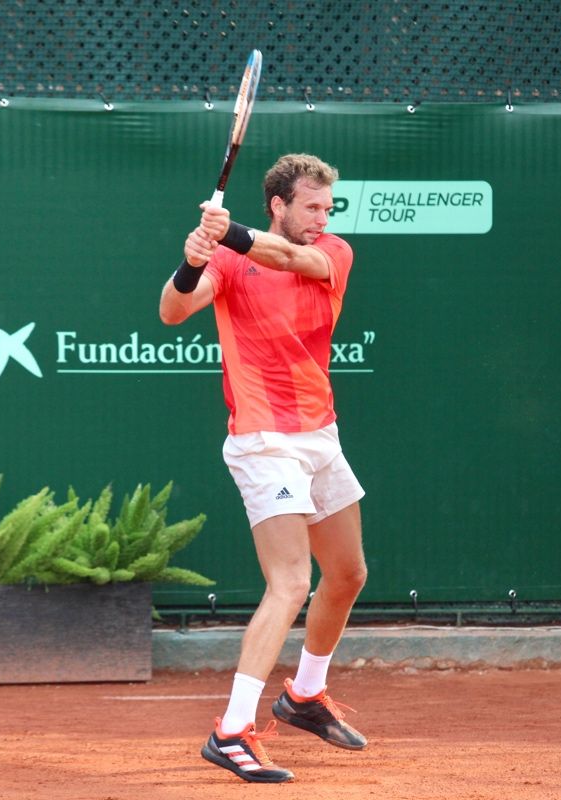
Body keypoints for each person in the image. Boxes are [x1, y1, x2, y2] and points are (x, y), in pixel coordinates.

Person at [159, 153, 368, 783]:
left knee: (349, 572)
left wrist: (231, 233)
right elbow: (172, 310)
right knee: (290, 583)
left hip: (320, 436)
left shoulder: (332, 253)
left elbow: (285, 258)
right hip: (262, 441)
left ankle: (304, 695)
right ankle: (232, 731)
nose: (321, 218)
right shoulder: (228, 262)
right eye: (311, 206)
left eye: (326, 208)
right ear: (277, 203)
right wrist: (196, 255)